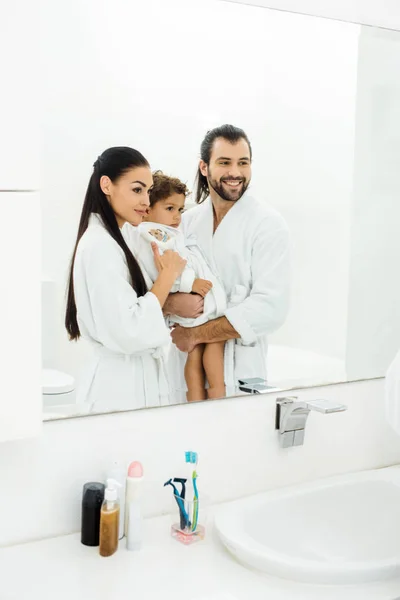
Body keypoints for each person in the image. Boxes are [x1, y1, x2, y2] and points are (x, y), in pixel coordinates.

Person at [166, 124, 291, 396]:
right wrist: (172, 303)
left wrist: (196, 334)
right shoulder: (185, 222)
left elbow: (270, 308)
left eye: (243, 163)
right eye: (224, 162)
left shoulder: (268, 224)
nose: (235, 172)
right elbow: (160, 279)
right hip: (184, 368)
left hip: (241, 370)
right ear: (204, 167)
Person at [65, 147, 186, 413]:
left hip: (129, 383)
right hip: (118, 390)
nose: (146, 200)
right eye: (137, 189)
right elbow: (127, 330)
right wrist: (167, 276)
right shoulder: (100, 246)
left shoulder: (116, 240)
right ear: (106, 185)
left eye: (148, 190)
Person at [132, 170, 227, 401]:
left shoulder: (165, 233)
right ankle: (218, 398)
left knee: (195, 356)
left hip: (185, 304)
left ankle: (196, 400)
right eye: (169, 208)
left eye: (180, 209)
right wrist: (191, 283)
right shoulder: (155, 235)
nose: (177, 216)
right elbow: (164, 270)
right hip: (186, 299)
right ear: (148, 210)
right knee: (214, 344)